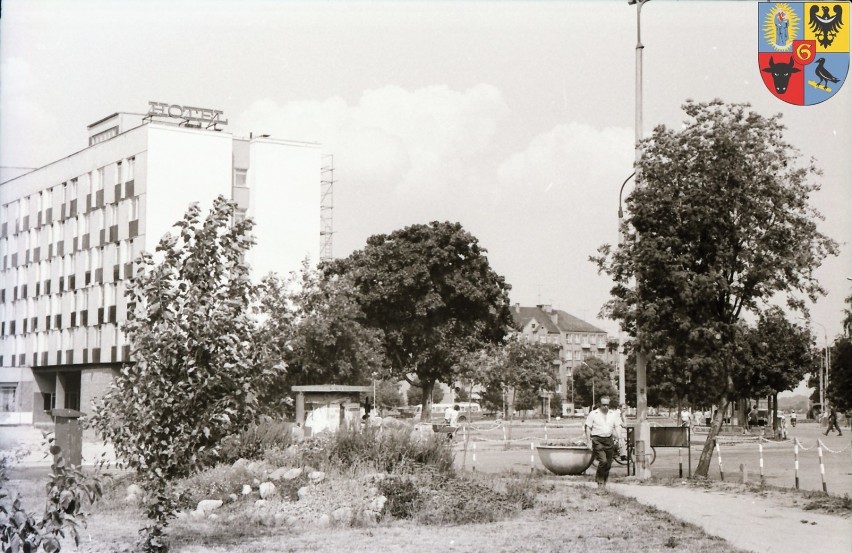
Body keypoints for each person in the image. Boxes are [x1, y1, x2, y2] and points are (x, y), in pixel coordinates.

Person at [584, 395, 623, 491]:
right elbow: (588, 427)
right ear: (599, 404)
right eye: (603, 405)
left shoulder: (613, 414)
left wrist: (620, 438)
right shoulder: (593, 414)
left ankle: (604, 482)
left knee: (609, 463)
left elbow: (617, 426)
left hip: (609, 439)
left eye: (607, 405)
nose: (605, 407)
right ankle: (599, 481)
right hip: (597, 439)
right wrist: (589, 441)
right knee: (603, 461)